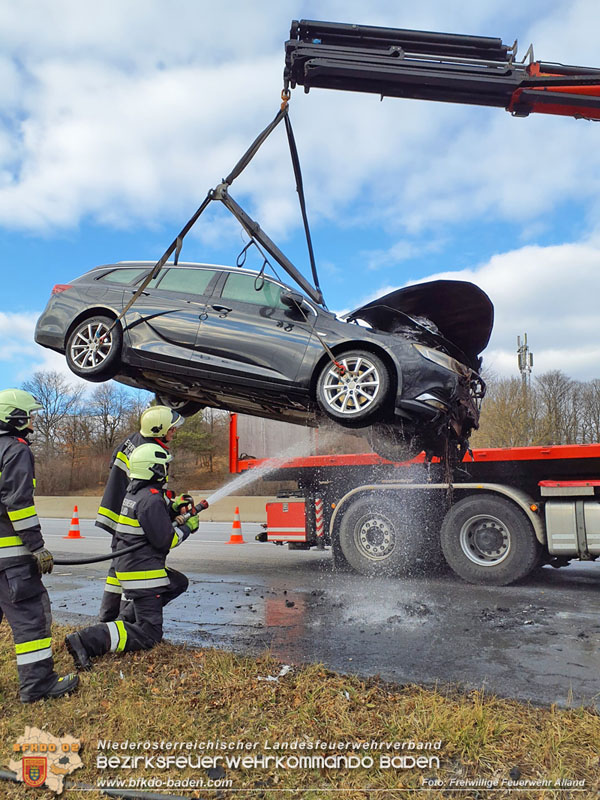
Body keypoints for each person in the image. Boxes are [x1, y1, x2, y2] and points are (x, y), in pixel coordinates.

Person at [65, 443, 208, 669]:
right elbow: (166, 541)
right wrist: (188, 527)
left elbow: (155, 513)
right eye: (164, 465)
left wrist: (174, 507)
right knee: (149, 634)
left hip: (135, 566)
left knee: (177, 582)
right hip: (143, 572)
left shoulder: (137, 493)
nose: (167, 469)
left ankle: (125, 621)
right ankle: (86, 641)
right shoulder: (149, 499)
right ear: (155, 469)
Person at [0, 389, 79, 702]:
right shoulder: (15, 450)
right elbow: (18, 503)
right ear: (14, 417)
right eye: (28, 415)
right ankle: (38, 686)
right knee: (31, 619)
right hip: (12, 560)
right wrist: (37, 547)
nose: (32, 421)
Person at [95, 405, 192, 622]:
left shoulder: (136, 440)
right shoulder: (150, 450)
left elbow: (143, 489)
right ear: (158, 429)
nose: (174, 432)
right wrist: (173, 514)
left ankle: (111, 620)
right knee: (134, 570)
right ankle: (120, 622)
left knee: (119, 571)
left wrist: (171, 505)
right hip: (130, 517)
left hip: (122, 511)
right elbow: (148, 494)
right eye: (171, 428)